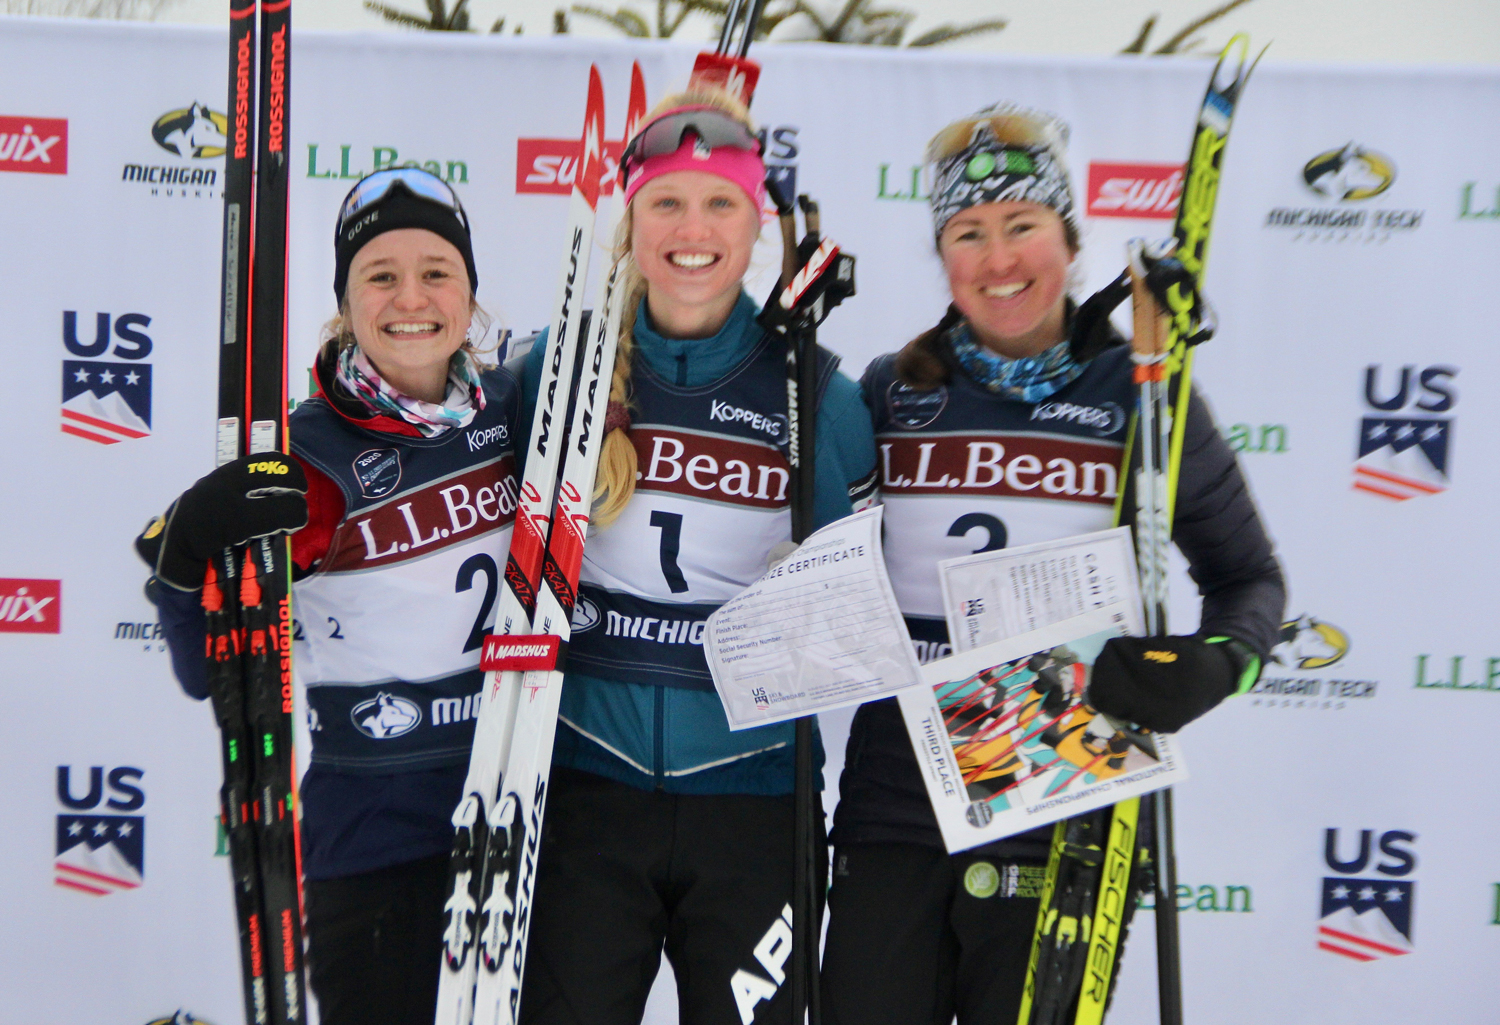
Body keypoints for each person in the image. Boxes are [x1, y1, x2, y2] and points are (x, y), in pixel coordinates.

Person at [821, 104, 1285, 1024]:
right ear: (942, 253)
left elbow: (1250, 579)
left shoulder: (1145, 391)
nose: (999, 261)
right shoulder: (889, 391)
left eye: (1023, 226)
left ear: (1068, 240)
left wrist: (1216, 662)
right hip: (895, 803)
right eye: (968, 233)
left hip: (1063, 791)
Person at [510, 88, 877, 1025]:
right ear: (631, 220)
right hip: (586, 786)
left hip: (755, 797)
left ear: (760, 227)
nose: (692, 228)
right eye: (666, 201)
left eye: (721, 203)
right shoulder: (556, 369)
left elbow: (857, 614)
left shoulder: (819, 395)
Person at [138, 168, 522, 1025]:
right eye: (379, 275)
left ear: (469, 290)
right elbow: (212, 673)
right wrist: (183, 558)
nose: (410, 297)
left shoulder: (522, 405)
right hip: (376, 835)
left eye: (436, 271)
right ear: (345, 300)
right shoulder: (304, 459)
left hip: (525, 822)